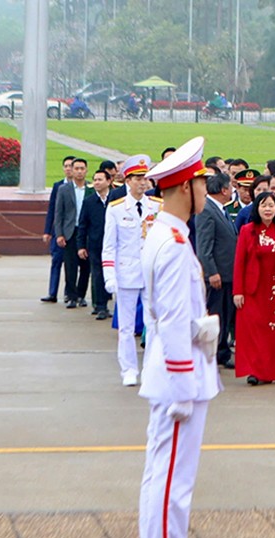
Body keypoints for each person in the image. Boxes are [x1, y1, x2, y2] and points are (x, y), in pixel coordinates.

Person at [138, 136, 222, 538]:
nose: (207, 189)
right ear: (187, 187)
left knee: (162, 474)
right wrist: (184, 389)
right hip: (179, 376)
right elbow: (172, 321)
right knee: (174, 483)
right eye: (203, 182)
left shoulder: (167, 235)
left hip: (175, 369)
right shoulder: (171, 244)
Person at [102, 155, 163, 387]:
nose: (141, 183)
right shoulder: (117, 209)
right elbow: (109, 246)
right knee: (126, 327)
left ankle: (149, 367)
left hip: (150, 274)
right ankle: (128, 369)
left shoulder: (156, 206)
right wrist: (110, 276)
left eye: (144, 178)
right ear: (127, 180)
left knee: (153, 323)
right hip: (126, 273)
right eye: (137, 178)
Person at [233, 192, 275, 385]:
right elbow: (239, 263)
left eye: (271, 205)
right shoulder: (247, 230)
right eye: (263, 205)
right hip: (252, 290)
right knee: (254, 332)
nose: (268, 209)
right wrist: (238, 291)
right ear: (257, 208)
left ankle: (270, 371)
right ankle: (254, 370)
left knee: (273, 332)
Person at [196, 172, 238, 370]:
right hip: (217, 276)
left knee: (225, 315)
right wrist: (211, 272)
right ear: (223, 190)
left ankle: (221, 350)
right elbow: (204, 246)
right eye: (230, 187)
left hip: (228, 275)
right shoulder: (207, 210)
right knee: (216, 316)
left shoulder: (221, 209)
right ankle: (214, 352)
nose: (232, 190)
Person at [54, 158, 92, 309]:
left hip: (86, 232)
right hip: (70, 231)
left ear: (86, 170)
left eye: (82, 168)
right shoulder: (64, 189)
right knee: (70, 266)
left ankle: (81, 295)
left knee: (85, 266)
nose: (79, 171)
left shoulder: (91, 188)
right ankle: (71, 296)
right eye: (76, 168)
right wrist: (59, 234)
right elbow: (59, 213)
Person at [77, 170, 112, 320]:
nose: (96, 182)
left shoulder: (115, 200)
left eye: (100, 179)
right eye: (95, 180)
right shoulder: (89, 201)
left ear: (109, 181)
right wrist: (81, 246)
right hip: (96, 244)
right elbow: (83, 225)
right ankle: (100, 306)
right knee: (98, 274)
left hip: (113, 244)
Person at [41, 156, 74, 303]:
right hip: (59, 231)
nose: (68, 169)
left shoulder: (82, 187)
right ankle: (52, 292)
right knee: (56, 261)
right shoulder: (58, 186)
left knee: (71, 265)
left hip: (73, 232)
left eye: (71, 166)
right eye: (66, 166)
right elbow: (53, 209)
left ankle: (69, 293)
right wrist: (48, 231)